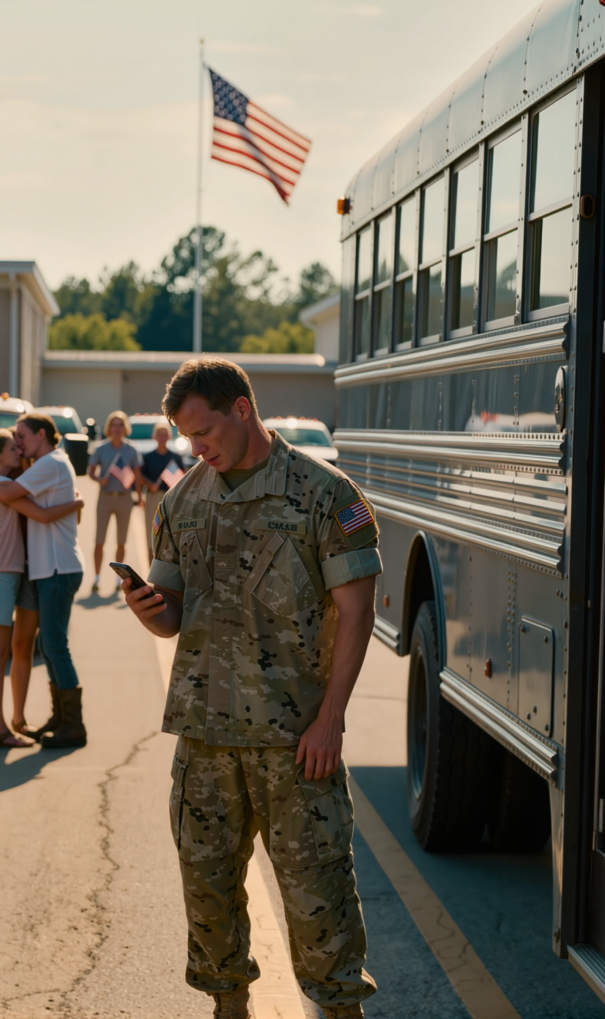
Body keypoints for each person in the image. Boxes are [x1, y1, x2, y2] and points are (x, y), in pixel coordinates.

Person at [124, 358, 381, 1019]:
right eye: (186, 436)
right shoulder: (182, 499)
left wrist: (331, 718)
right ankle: (229, 1007)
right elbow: (171, 613)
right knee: (207, 892)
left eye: (203, 431)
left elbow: (358, 611)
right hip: (205, 737)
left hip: (296, 741)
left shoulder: (325, 493)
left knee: (319, 896)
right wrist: (149, 610)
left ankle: (340, 1010)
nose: (195, 448)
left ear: (242, 409)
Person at [0, 413, 88, 749]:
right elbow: (10, 498)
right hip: (31, 569)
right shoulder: (37, 466)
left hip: (53, 567)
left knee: (51, 646)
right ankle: (59, 719)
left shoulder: (48, 464)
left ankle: (70, 724)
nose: (18, 444)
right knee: (45, 647)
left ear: (41, 434)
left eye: (22, 436)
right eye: (14, 441)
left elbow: (13, 496)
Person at [88, 410, 144, 591]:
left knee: (121, 541)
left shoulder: (131, 449)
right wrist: (99, 479)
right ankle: (96, 578)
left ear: (125, 428)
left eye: (120, 425)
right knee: (100, 540)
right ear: (109, 427)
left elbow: (137, 476)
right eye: (114, 425)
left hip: (124, 498)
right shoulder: (101, 448)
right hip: (105, 497)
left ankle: (117, 579)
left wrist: (140, 497)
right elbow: (91, 471)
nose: (117, 428)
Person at [140, 418, 186, 564]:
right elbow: (141, 476)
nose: (162, 437)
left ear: (169, 436)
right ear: (154, 436)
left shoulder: (175, 457)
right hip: (153, 497)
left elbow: (183, 478)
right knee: (152, 533)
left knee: (170, 533)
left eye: (165, 434)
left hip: (171, 498)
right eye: (159, 434)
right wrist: (150, 485)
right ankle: (151, 569)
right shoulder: (148, 457)